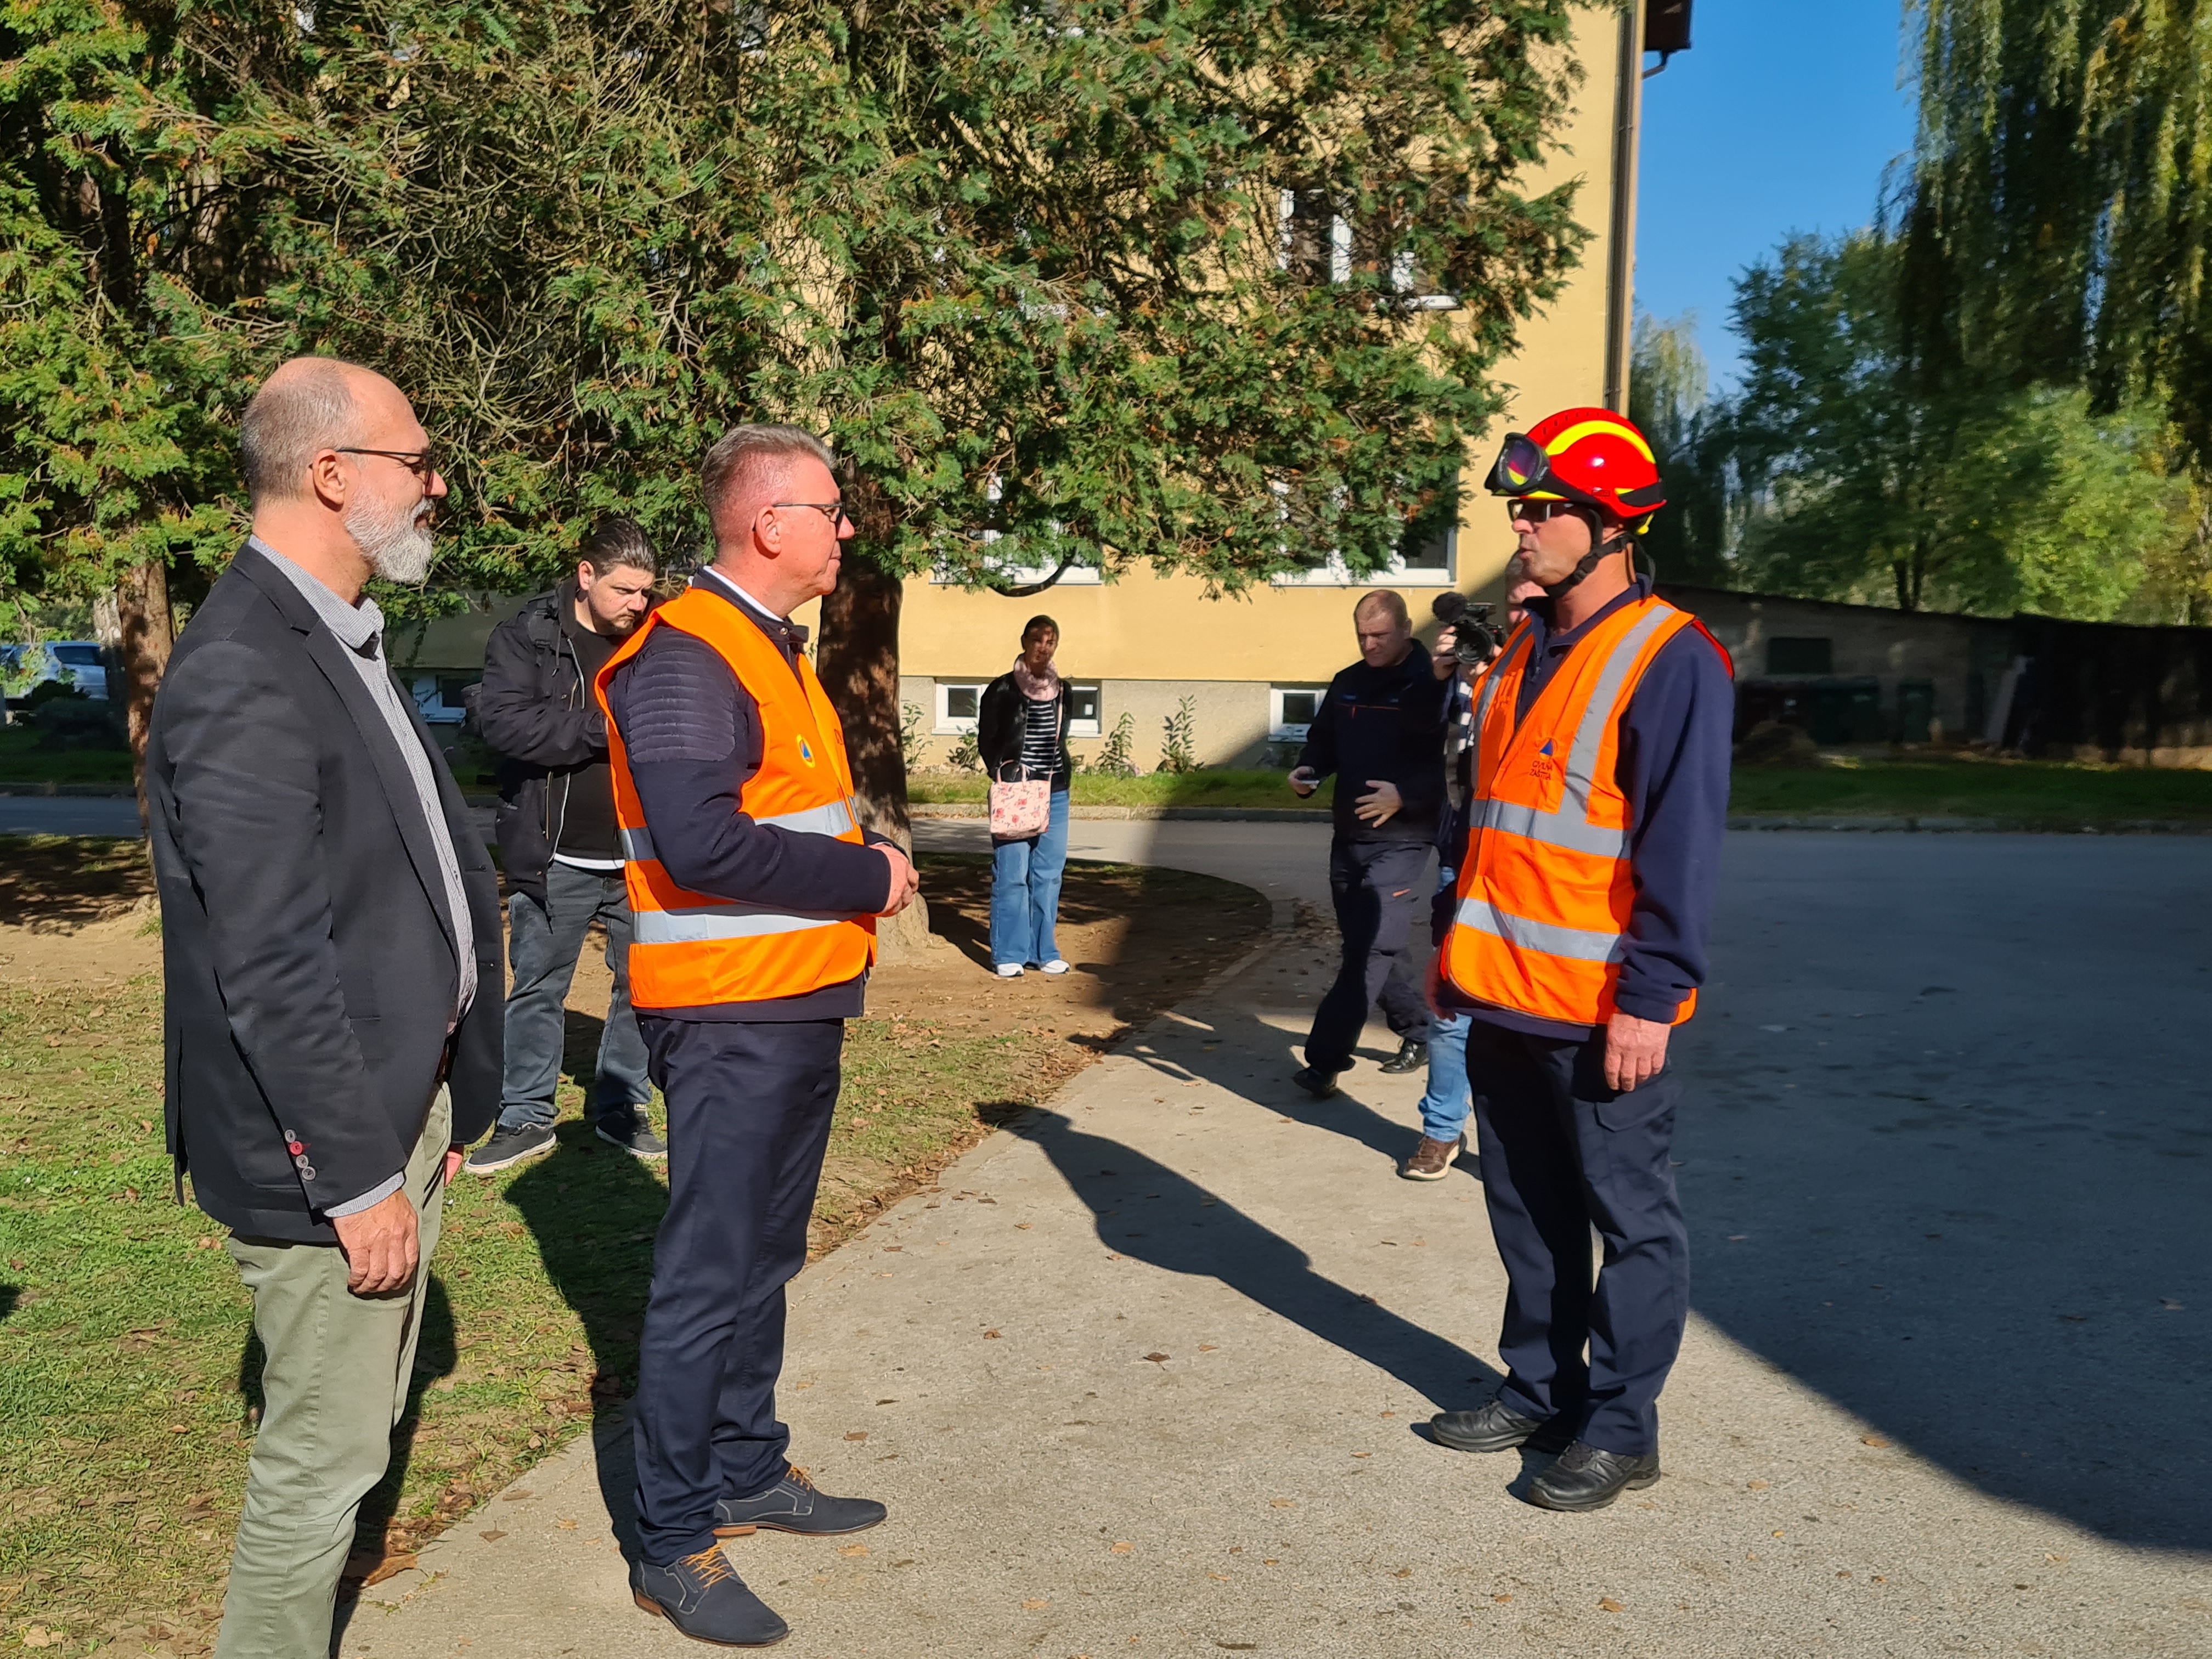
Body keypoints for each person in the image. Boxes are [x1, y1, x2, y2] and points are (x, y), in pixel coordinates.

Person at [145, 357, 504, 1659]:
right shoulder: (243, 664)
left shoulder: (334, 634)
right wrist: (357, 1177)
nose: (437, 483)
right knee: (320, 1461)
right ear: (334, 474)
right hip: (327, 1146)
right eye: (418, 460)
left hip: (390, 1108)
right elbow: (272, 959)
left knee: (348, 1439)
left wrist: (452, 1085)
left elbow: (400, 878)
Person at [596, 424, 921, 1646]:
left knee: (763, 1258)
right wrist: (866, 873)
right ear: (769, 522)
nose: (846, 529)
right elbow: (697, 844)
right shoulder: (685, 655)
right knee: (705, 1276)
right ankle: (674, 1537)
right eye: (830, 510)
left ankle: (743, 1464)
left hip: (792, 1004)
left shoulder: (771, 650)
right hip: (730, 1016)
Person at [1424, 407, 1733, 1513]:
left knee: (1629, 1220)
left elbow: (1679, 848)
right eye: (1520, 508)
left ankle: (1622, 1425)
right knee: (1527, 1205)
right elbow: (1491, 821)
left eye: (1546, 509)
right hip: (1502, 995)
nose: (1524, 525)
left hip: (1605, 1008)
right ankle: (1541, 1388)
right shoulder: (1522, 650)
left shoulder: (1670, 659)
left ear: (1613, 527)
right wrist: (1448, 954)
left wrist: (1653, 999)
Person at [466, 517, 665, 1172]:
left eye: (646, 591)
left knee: (641, 988)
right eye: (625, 591)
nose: (638, 605)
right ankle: (526, 1116)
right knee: (539, 986)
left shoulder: (662, 637)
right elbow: (506, 725)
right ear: (586, 575)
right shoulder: (528, 637)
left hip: (644, 855)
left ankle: (622, 1106)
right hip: (554, 855)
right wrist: (608, 728)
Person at [1402, 578, 1544, 1181]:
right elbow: (1417, 742)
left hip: (1537, 868)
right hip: (1465, 857)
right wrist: (1442, 680)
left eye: (1529, 608)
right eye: (1511, 607)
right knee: (1452, 1001)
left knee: (1525, 1012)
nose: (1517, 619)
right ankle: (1441, 1130)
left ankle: (1528, 1142)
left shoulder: (1550, 678)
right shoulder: (1466, 676)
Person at [1287, 589, 1450, 1097]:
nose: (1369, 644)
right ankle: (1418, 1031)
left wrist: (1406, 795)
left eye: (1379, 635)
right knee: (1369, 944)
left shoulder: (1434, 682)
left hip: (1403, 839)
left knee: (1370, 948)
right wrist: (1310, 769)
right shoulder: (1349, 682)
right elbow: (1324, 740)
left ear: (1406, 629)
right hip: (1349, 835)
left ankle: (1325, 1060)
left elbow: (1452, 761)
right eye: (1361, 635)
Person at [977, 614, 1074, 977]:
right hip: (1016, 790)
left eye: (1050, 641)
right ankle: (1009, 954)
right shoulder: (1002, 690)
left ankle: (1043, 951)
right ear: (1024, 642)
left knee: (1049, 874)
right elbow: (988, 741)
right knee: (1013, 874)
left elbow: (1059, 739)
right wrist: (1005, 775)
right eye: (1037, 640)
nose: (1043, 648)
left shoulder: (1064, 689)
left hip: (1056, 791)